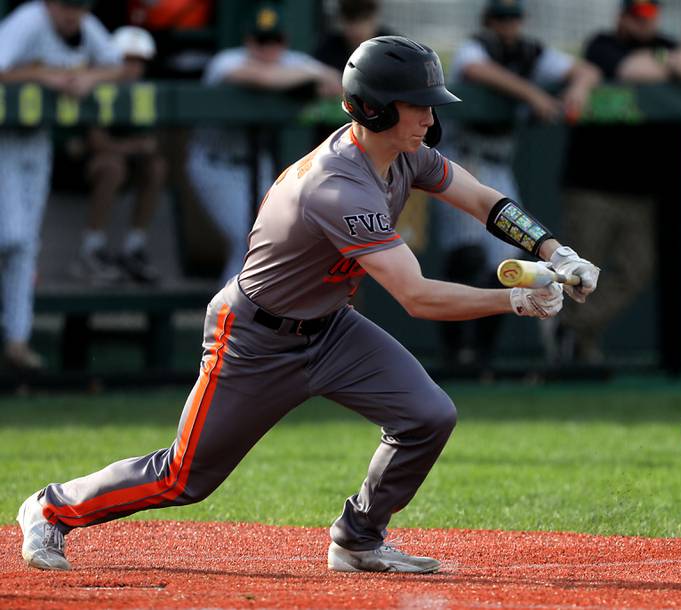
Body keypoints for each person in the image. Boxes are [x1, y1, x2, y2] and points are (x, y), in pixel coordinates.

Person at [17, 35, 599, 574]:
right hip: (253, 338)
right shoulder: (337, 185)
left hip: (330, 327)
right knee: (184, 477)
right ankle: (50, 509)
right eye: (416, 104)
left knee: (428, 416)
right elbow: (417, 297)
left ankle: (358, 539)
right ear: (372, 108)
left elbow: (483, 200)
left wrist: (554, 248)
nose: (429, 116)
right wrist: (517, 300)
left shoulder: (406, 153)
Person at [437, 0, 600, 373]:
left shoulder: (531, 52)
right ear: (488, 21)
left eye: (513, 19)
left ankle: (481, 355)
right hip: (459, 159)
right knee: (466, 257)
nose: (507, 27)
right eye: (500, 19)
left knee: (506, 263)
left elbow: (587, 70)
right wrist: (534, 94)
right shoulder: (474, 48)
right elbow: (478, 70)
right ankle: (455, 353)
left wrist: (578, 89)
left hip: (498, 163)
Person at [557, 0, 681, 364]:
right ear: (623, 18)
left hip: (639, 192)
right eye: (637, 17)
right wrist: (670, 65)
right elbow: (631, 70)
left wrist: (668, 61)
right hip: (592, 187)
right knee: (580, 272)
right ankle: (575, 345)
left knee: (638, 269)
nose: (645, 25)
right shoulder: (602, 44)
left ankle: (572, 327)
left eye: (650, 17)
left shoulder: (665, 42)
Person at [0, 0, 124, 370]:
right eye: (66, 5)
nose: (72, 14)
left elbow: (117, 65)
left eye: (80, 6)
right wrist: (42, 75)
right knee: (12, 237)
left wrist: (89, 78)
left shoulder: (86, 27)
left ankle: (16, 340)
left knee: (26, 243)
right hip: (3, 137)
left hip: (36, 137)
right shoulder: (29, 20)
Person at [187, 2, 342, 285]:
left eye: (274, 41)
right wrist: (306, 80)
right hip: (216, 164)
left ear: (285, 41)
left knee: (282, 238)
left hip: (258, 165)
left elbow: (336, 82)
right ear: (248, 40)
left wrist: (306, 78)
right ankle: (227, 317)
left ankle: (251, 314)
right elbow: (260, 77)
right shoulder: (226, 61)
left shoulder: (292, 62)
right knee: (249, 238)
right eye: (261, 41)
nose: (268, 51)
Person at [71, 26, 167, 285]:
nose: (133, 67)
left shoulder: (144, 92)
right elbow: (96, 142)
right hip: (72, 171)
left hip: (126, 168)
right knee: (112, 165)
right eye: (127, 60)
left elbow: (150, 144)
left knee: (156, 167)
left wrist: (129, 147)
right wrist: (132, 147)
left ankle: (132, 249)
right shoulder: (94, 85)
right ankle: (90, 250)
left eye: (139, 61)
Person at [313, 0, 395, 73]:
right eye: (351, 20)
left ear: (374, 17)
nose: (357, 29)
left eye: (364, 19)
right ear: (341, 19)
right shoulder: (328, 48)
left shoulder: (392, 47)